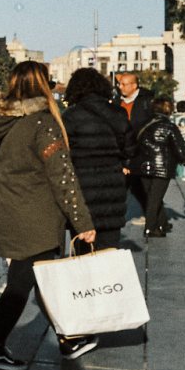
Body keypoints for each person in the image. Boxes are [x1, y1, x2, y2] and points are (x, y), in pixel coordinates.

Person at [0, 61, 97, 368]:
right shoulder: (42, 122)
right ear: (43, 85)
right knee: (22, 279)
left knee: (41, 276)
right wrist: (82, 221)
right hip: (35, 211)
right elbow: (62, 174)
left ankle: (67, 339)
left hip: (8, 205)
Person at [63, 67, 132, 249]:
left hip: (82, 189)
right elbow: (131, 149)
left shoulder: (70, 116)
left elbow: (63, 154)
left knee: (83, 250)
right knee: (109, 248)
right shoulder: (118, 113)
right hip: (112, 189)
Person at [136, 98, 185, 237]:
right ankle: (150, 228)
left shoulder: (143, 123)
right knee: (155, 198)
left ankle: (163, 223)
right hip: (162, 167)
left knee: (152, 196)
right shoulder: (169, 126)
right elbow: (180, 150)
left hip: (143, 165)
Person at [115, 71, 155, 222]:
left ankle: (153, 217)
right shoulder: (117, 101)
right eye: (119, 84)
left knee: (142, 186)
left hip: (142, 150)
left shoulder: (147, 101)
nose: (120, 87)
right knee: (122, 186)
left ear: (134, 85)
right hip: (123, 150)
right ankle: (117, 216)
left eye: (124, 84)